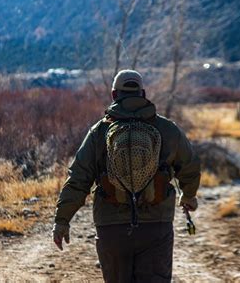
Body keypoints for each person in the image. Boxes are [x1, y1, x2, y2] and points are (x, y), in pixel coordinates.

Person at [52, 69, 201, 283]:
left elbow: (78, 179)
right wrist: (188, 196)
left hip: (111, 228)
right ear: (143, 93)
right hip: (156, 226)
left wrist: (62, 220)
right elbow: (190, 166)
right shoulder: (167, 129)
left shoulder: (99, 132)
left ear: (114, 95)